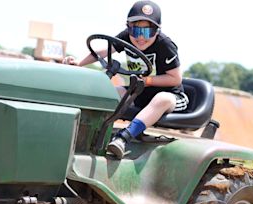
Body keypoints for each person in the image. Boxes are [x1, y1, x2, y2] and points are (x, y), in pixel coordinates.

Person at [62, 0, 188, 159]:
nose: (141, 37)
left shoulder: (165, 45)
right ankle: (85, 133)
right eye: (135, 31)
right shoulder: (126, 37)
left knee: (160, 98)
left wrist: (148, 81)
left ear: (157, 31)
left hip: (171, 96)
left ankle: (123, 138)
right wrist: (78, 63)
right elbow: (103, 51)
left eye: (147, 32)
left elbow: (175, 79)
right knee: (112, 93)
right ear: (128, 28)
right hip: (140, 91)